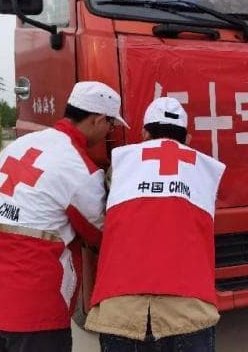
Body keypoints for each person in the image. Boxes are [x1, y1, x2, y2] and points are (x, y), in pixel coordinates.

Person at [0, 81, 128, 352]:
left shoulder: (17, 146)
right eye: (111, 124)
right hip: (31, 306)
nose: (110, 131)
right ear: (98, 119)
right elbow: (100, 232)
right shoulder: (79, 169)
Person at [86, 97, 226, 352]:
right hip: (188, 309)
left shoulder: (121, 163)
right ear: (188, 139)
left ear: (144, 134)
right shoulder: (206, 169)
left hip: (121, 308)